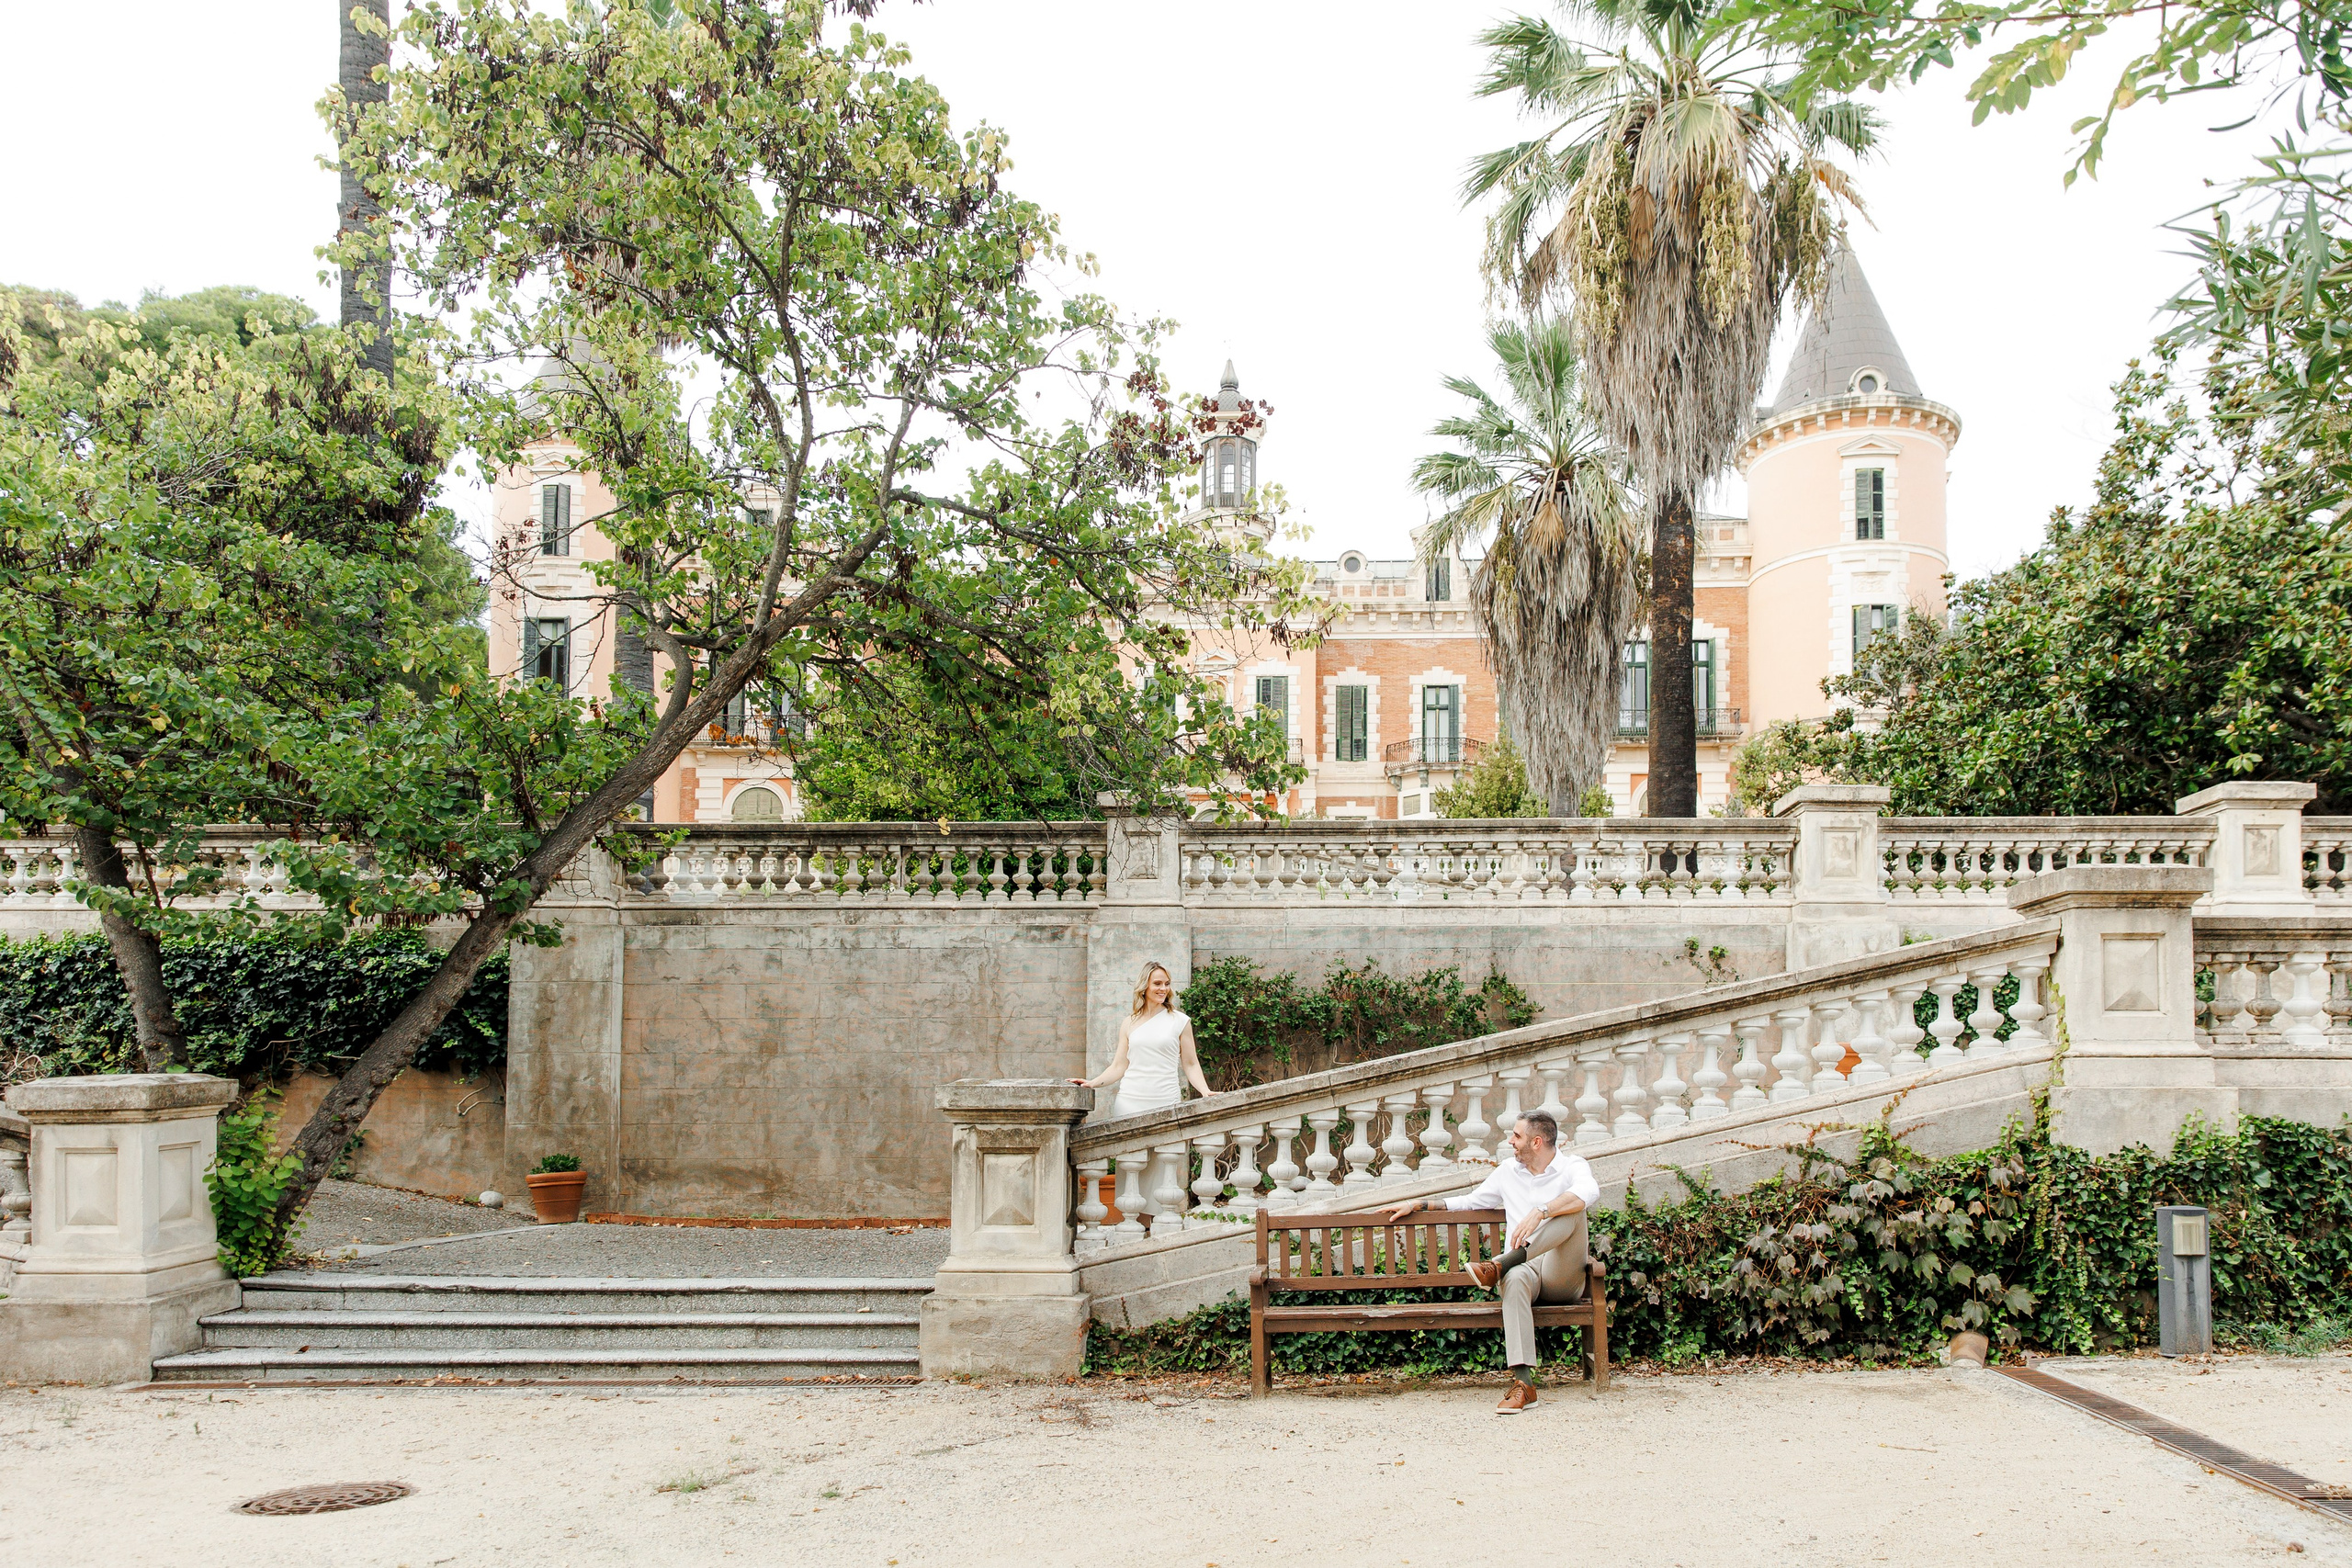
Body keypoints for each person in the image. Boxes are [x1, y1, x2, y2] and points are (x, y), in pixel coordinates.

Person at [1381, 1110, 1599, 1413]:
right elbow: (1471, 1202)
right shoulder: (1508, 1171)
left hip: (1560, 1273)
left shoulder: (1573, 1166)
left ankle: (1499, 1265)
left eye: (1516, 1136)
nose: (1510, 1141)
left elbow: (1589, 1192)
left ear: (1536, 1142)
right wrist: (1419, 1203)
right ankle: (1524, 1385)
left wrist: (1541, 1211)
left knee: (1575, 1208)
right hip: (1525, 1272)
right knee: (1514, 1277)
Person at [1071, 960, 1211, 1118]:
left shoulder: (1181, 1021)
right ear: (1144, 987)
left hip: (1166, 1100)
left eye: (1167, 984)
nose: (1163, 989)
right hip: (1129, 1101)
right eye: (1157, 983)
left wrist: (1205, 1091)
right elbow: (1118, 1066)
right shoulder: (1129, 1023)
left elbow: (1191, 1064)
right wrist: (1092, 1083)